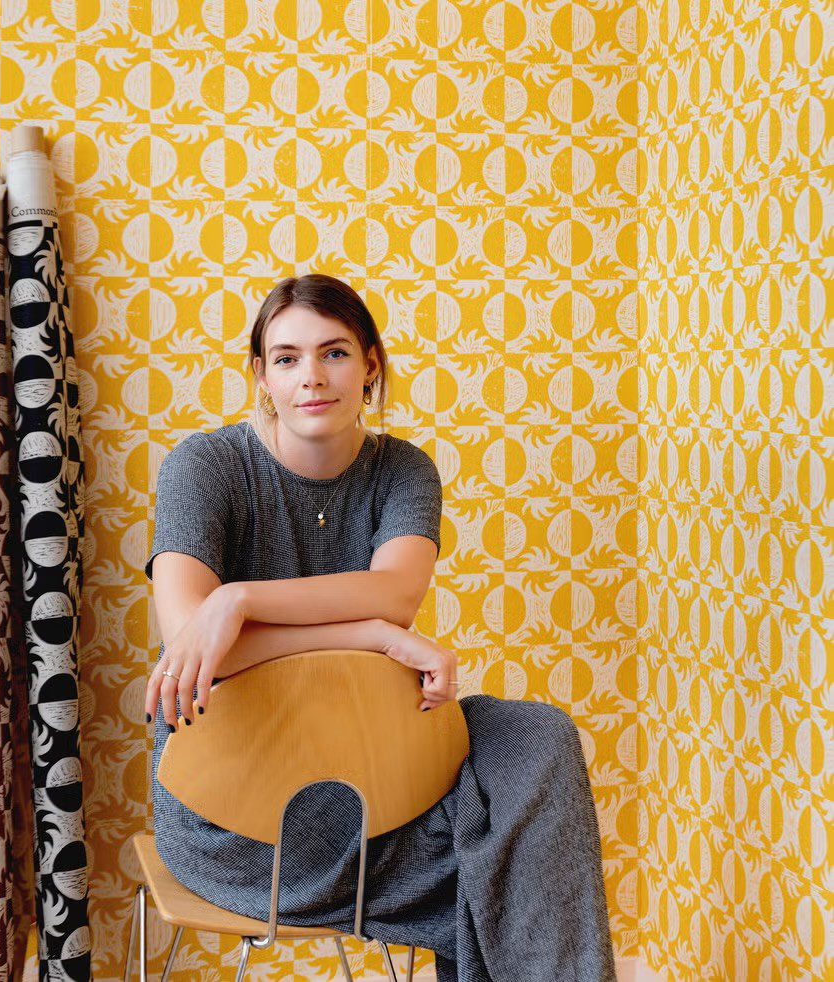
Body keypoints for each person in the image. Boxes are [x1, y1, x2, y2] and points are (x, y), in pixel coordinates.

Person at [144, 274, 618, 980]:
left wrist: (239, 600)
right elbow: (191, 642)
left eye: (334, 353)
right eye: (286, 358)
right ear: (260, 376)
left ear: (370, 365)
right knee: (507, 857)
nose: (311, 377)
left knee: (537, 738)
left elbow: (395, 595)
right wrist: (366, 636)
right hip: (239, 821)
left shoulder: (403, 471)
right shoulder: (205, 468)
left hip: (376, 777)